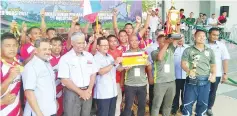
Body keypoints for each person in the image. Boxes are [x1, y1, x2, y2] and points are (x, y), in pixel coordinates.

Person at [57, 32, 97, 116]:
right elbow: (65, 79)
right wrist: (81, 92)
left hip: (87, 92)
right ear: (72, 43)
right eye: (79, 43)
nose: (81, 45)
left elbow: (93, 74)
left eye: (83, 42)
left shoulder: (89, 56)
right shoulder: (65, 58)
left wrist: (89, 90)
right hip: (72, 93)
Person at [181, 30, 216, 116]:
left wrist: (214, 74)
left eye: (203, 36)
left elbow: (213, 65)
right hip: (192, 81)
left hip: (205, 81)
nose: (202, 38)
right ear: (194, 37)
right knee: (187, 105)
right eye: (199, 36)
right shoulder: (188, 50)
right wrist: (188, 71)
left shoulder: (210, 51)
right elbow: (183, 64)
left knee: (203, 105)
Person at [22, 38, 57, 116]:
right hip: (38, 112)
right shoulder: (31, 66)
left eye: (49, 49)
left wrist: (54, 101)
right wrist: (39, 113)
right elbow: (29, 92)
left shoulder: (47, 63)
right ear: (36, 50)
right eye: (44, 49)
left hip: (50, 109)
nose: (48, 52)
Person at [122, 34, 153, 116]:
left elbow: (149, 68)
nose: (134, 42)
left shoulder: (144, 53)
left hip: (142, 83)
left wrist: (148, 64)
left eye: (136, 40)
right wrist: (125, 68)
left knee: (142, 106)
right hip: (129, 84)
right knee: (128, 106)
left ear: (139, 41)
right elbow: (121, 69)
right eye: (132, 40)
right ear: (129, 42)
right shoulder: (125, 54)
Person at [93, 37, 124, 116]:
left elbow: (119, 68)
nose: (106, 47)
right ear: (98, 46)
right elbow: (100, 71)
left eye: (107, 45)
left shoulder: (109, 56)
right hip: (103, 94)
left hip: (113, 92)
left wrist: (127, 65)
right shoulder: (96, 58)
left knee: (111, 114)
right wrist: (114, 63)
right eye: (103, 45)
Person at [150, 35, 177, 116]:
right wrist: (166, 44)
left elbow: (177, 37)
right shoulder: (154, 52)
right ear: (158, 42)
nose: (165, 42)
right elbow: (160, 57)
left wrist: (177, 24)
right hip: (160, 83)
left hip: (172, 82)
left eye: (166, 40)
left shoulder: (171, 49)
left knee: (168, 105)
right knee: (156, 105)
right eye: (162, 41)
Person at [206, 28, 230, 116]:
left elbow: (225, 60)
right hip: (203, 73)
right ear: (209, 34)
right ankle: (201, 106)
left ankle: (209, 107)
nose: (215, 37)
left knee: (213, 91)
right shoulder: (203, 44)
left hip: (216, 74)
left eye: (217, 35)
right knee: (201, 91)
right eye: (213, 35)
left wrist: (225, 74)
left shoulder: (221, 45)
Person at [1, 32, 23, 116]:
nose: (12, 49)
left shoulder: (18, 62)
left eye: (14, 45)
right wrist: (10, 78)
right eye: (8, 46)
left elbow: (17, 88)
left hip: (16, 110)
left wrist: (20, 109)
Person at [171, 35, 189, 115]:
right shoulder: (172, 48)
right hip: (175, 76)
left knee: (185, 93)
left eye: (182, 38)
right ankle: (175, 107)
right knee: (175, 93)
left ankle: (184, 107)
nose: (181, 40)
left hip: (186, 75)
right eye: (179, 38)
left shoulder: (188, 48)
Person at [107, 35, 123, 116]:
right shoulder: (105, 53)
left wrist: (122, 81)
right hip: (107, 82)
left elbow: (121, 68)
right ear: (107, 42)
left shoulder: (120, 52)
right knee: (108, 102)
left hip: (117, 81)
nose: (113, 43)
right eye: (111, 41)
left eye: (115, 41)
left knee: (117, 101)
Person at [49, 37, 64, 116]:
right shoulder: (45, 60)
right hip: (49, 93)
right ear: (50, 46)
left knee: (60, 112)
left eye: (59, 45)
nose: (57, 47)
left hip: (62, 92)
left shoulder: (64, 59)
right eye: (54, 45)